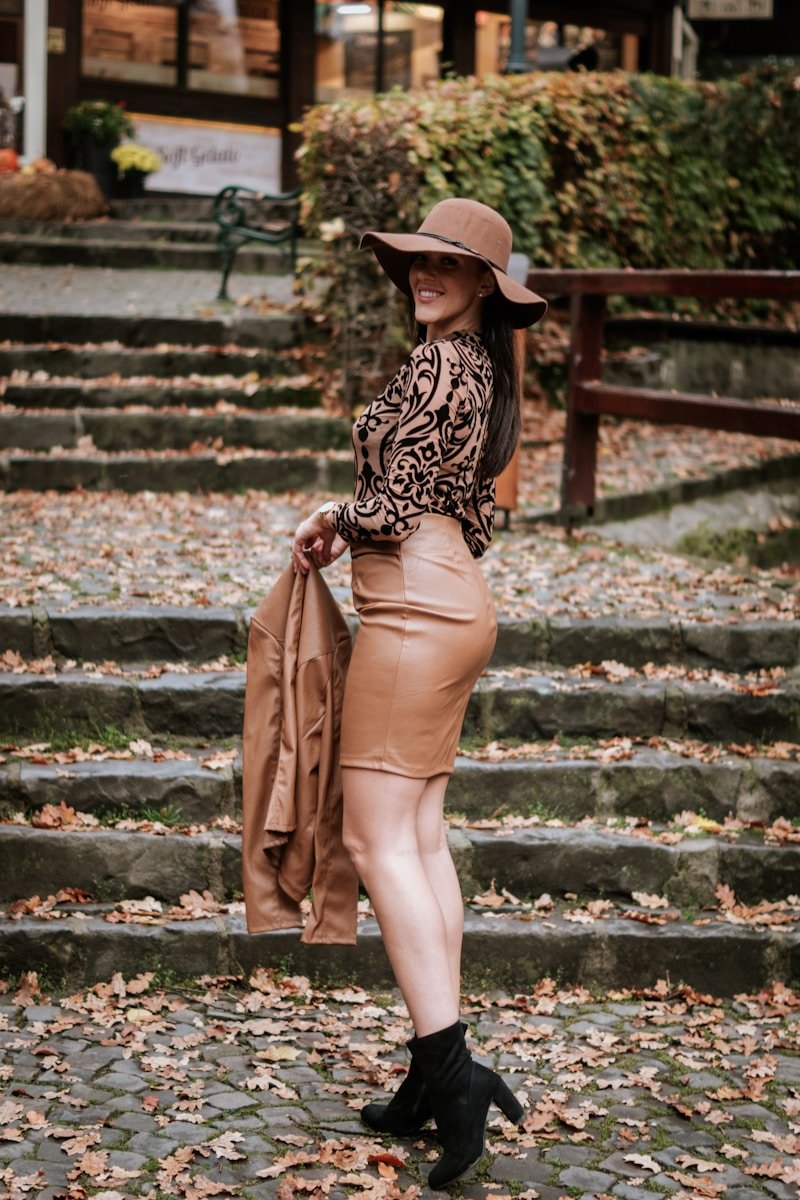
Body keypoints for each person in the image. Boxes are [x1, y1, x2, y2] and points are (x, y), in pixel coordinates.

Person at [291, 198, 547, 1190]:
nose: (421, 276)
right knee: (421, 835)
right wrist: (354, 521)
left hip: (413, 613)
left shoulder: (443, 363)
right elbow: (464, 513)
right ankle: (431, 1072)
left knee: (375, 841)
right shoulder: (476, 369)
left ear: (484, 283)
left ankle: (450, 1078)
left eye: (446, 265)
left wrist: (331, 516)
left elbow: (395, 502)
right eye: (415, 262)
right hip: (449, 601)